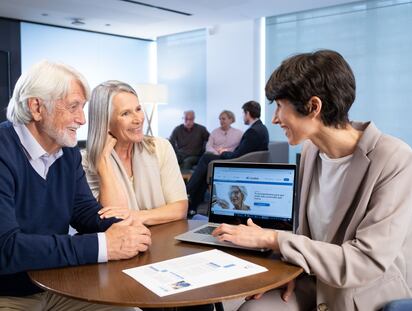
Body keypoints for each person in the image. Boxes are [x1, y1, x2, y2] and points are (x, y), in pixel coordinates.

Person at [212, 50, 412, 311]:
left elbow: (364, 261)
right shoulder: (310, 151)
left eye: (280, 106)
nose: (274, 118)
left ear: (313, 107)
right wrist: (292, 272)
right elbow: (306, 235)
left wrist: (272, 239)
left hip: (362, 293)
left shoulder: (395, 159)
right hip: (314, 281)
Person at [0, 61, 151, 310]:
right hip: (8, 294)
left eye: (83, 107)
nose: (82, 119)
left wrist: (122, 229)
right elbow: (6, 248)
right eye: (73, 107)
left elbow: (83, 211)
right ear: (37, 107)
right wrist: (103, 245)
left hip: (57, 283)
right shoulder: (4, 151)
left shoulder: (67, 151)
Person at [82, 80, 188, 225]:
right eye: (125, 113)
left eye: (138, 109)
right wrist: (103, 161)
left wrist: (136, 216)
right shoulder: (86, 162)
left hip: (166, 240)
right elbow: (114, 221)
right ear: (105, 121)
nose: (138, 119)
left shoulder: (160, 147)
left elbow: (179, 208)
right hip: (122, 245)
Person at [187, 100, 269, 216]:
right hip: (245, 161)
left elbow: (237, 155)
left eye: (243, 114)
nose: (243, 117)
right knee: (206, 168)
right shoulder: (261, 128)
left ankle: (188, 192)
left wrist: (224, 153)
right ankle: (193, 204)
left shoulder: (252, 132)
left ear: (248, 113)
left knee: (206, 159)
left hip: (239, 164)